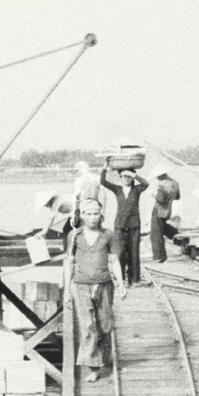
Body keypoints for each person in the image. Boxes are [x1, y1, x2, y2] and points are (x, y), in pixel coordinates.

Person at [66, 200, 124, 382]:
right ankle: (93, 367)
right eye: (88, 214)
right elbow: (69, 262)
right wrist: (67, 289)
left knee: (105, 325)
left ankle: (105, 359)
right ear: (82, 215)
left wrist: (121, 284)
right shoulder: (74, 235)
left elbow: (114, 261)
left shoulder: (108, 235)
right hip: (81, 285)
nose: (92, 218)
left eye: (95, 214)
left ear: (101, 215)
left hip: (104, 285)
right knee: (88, 326)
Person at [100, 163, 151, 285]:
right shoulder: (117, 189)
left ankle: (134, 279)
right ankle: (121, 277)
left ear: (132, 178)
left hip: (134, 225)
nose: (126, 179)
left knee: (134, 252)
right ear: (120, 178)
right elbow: (103, 182)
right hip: (120, 225)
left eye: (129, 177)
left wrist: (135, 175)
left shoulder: (137, 190)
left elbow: (146, 184)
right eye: (124, 177)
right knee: (120, 252)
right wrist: (104, 169)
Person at [148, 165, 182, 265]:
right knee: (164, 229)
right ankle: (179, 237)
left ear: (160, 176)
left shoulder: (162, 184)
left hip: (159, 211)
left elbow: (161, 199)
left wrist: (153, 194)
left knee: (156, 234)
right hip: (168, 210)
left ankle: (159, 257)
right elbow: (177, 197)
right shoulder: (175, 183)